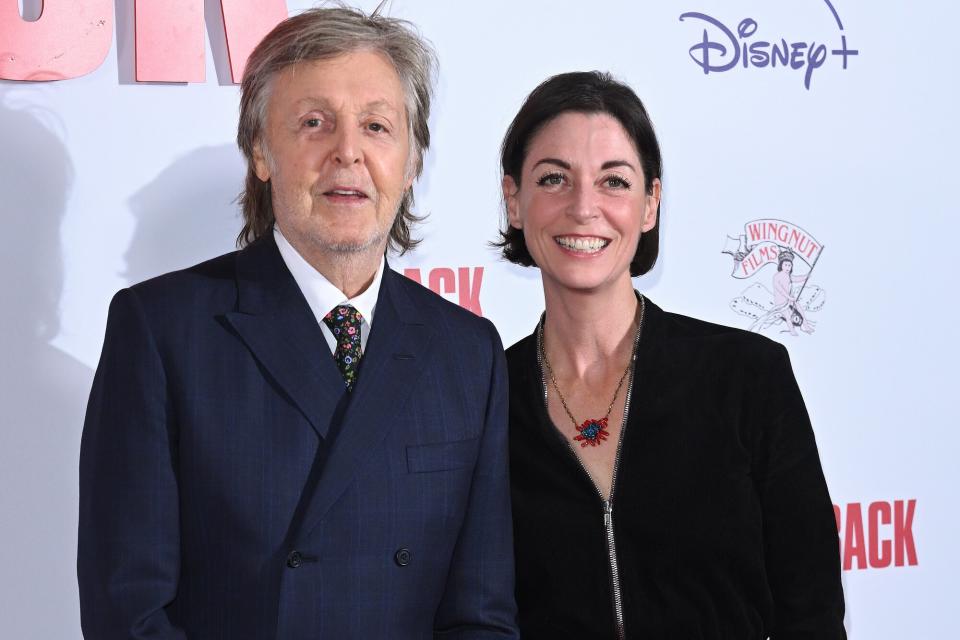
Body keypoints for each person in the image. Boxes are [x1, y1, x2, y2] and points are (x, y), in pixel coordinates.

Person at [78, 7, 518, 639]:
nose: (348, 152)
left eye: (377, 125)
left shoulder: (467, 353)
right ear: (261, 150)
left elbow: (483, 615)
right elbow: (128, 610)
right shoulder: (162, 331)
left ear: (414, 158)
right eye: (314, 123)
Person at [498, 71, 845, 639]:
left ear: (650, 204)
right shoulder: (486, 398)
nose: (584, 208)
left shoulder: (746, 377)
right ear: (515, 201)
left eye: (614, 182)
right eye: (554, 178)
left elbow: (812, 615)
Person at [772, 249, 816, 335]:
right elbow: (780, 290)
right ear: (781, 265)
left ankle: (805, 326)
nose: (788, 267)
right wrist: (789, 297)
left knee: (799, 308)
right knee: (788, 316)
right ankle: (792, 331)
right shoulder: (776, 276)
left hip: (789, 300)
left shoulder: (788, 276)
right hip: (781, 302)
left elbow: (796, 278)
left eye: (789, 265)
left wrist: (806, 276)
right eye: (786, 265)